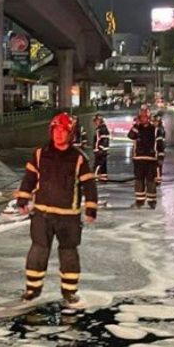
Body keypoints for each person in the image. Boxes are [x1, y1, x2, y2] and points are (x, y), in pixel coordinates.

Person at [16, 113, 98, 305]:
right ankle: (32, 289)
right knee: (38, 251)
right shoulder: (39, 154)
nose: (59, 134)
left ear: (70, 134)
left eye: (63, 131)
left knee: (69, 253)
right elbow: (29, 179)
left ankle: (69, 292)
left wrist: (91, 208)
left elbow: (89, 186)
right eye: (56, 130)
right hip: (42, 214)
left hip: (68, 217)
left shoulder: (79, 158)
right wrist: (23, 198)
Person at [127, 105, 158, 208]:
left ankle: (152, 201)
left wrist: (160, 157)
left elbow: (159, 143)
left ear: (148, 118)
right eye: (141, 117)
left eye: (145, 117)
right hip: (138, 158)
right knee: (139, 181)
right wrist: (136, 125)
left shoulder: (154, 128)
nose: (143, 119)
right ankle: (139, 202)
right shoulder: (137, 128)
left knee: (150, 181)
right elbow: (130, 136)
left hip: (151, 158)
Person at [92, 114, 111, 182]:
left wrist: (100, 148)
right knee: (103, 165)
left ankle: (95, 177)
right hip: (102, 150)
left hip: (100, 150)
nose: (95, 123)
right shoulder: (102, 128)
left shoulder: (102, 129)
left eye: (96, 121)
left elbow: (104, 140)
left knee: (98, 164)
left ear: (99, 120)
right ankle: (103, 178)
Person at [154, 113, 166, 184]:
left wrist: (160, 153)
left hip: (158, 150)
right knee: (157, 165)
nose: (154, 123)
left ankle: (157, 179)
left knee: (158, 165)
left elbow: (160, 142)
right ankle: (157, 179)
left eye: (155, 121)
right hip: (158, 150)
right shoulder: (160, 129)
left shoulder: (159, 130)